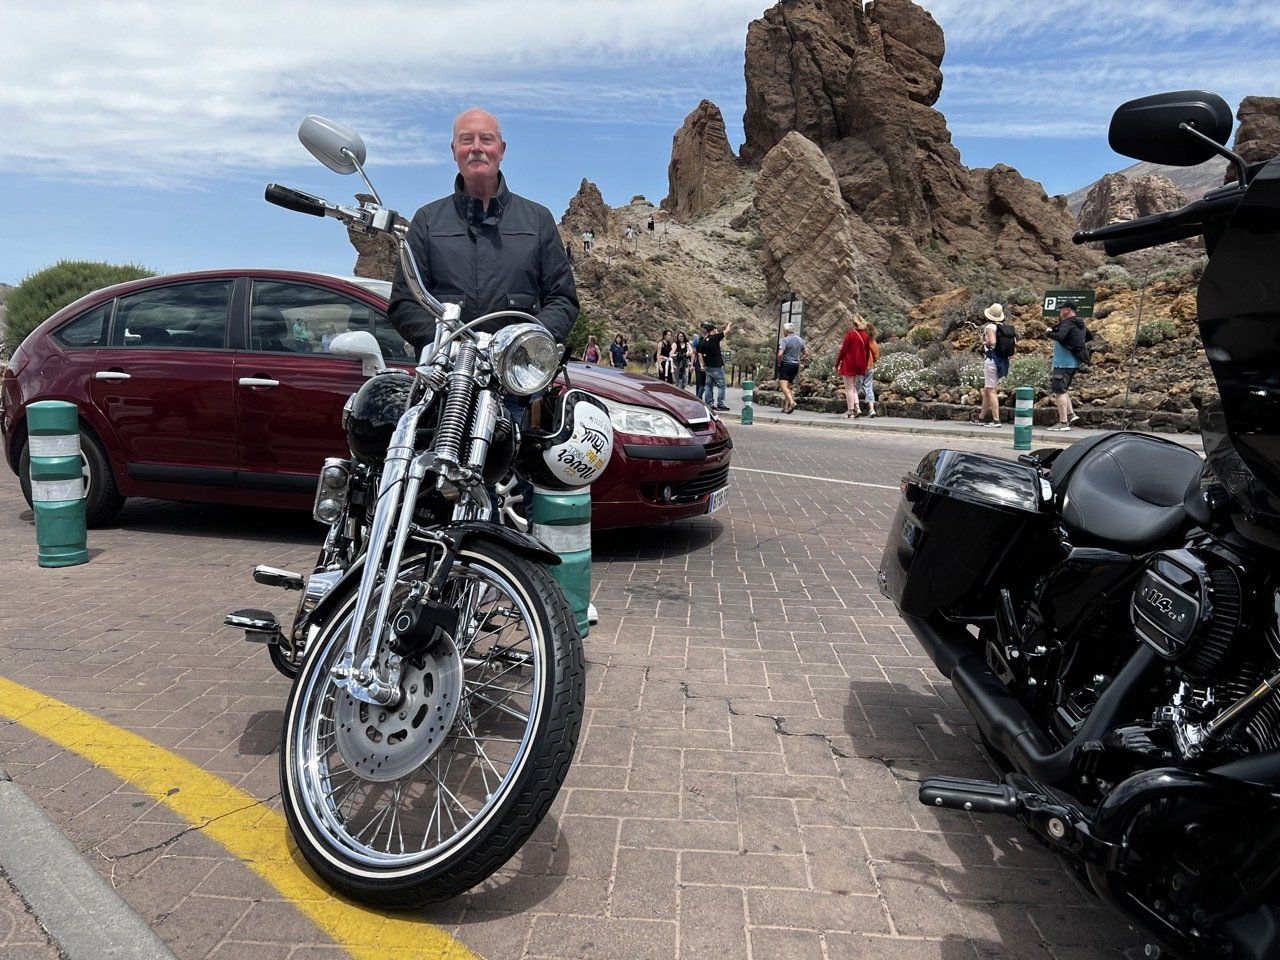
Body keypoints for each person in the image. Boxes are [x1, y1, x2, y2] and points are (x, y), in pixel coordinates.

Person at [388, 108, 577, 354]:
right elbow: (405, 303)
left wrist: (526, 345)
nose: (477, 147)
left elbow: (563, 299)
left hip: (520, 378)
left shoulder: (538, 220)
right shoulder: (427, 220)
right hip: (449, 379)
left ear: (502, 150)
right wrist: (450, 346)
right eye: (467, 140)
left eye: (486, 139)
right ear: (454, 150)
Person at [1046, 301, 1086, 431]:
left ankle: (1063, 422)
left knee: (1059, 392)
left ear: (1068, 309)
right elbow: (1088, 336)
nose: (1060, 311)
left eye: (1062, 309)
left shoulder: (1068, 323)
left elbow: (1061, 336)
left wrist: (1049, 333)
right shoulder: (1080, 324)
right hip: (1073, 361)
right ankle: (1070, 414)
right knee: (1064, 390)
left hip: (1062, 362)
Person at [979, 303, 1010, 426]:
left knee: (991, 391)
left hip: (992, 360)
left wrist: (984, 342)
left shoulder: (990, 327)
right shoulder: (1004, 328)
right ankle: (981, 417)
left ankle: (996, 420)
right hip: (1002, 360)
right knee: (988, 389)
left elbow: (992, 342)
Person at [836, 317, 870, 418]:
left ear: (854, 324)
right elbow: (867, 352)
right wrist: (865, 364)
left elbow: (844, 350)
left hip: (849, 363)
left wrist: (837, 362)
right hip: (860, 364)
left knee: (849, 388)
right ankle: (857, 408)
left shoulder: (850, 334)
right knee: (854, 387)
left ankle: (850, 411)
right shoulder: (866, 335)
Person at [697, 320, 733, 410]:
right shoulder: (715, 338)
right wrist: (729, 325)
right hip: (717, 366)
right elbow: (727, 331)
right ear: (712, 331)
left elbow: (699, 353)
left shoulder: (704, 341)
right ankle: (720, 404)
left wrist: (703, 365)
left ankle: (709, 404)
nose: (717, 331)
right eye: (715, 329)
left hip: (708, 367)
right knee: (721, 385)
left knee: (708, 386)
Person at [776, 322, 807, 414]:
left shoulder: (784, 340)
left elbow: (780, 354)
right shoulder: (799, 339)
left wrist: (779, 362)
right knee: (789, 386)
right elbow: (806, 352)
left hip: (786, 364)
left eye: (783, 331)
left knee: (783, 386)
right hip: (795, 365)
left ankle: (792, 402)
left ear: (786, 331)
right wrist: (800, 359)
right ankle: (785, 407)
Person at [860, 323, 879, 418]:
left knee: (855, 388)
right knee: (869, 388)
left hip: (860, 367)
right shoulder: (872, 341)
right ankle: (872, 409)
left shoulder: (860, 340)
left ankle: (855, 409)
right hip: (870, 366)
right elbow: (876, 354)